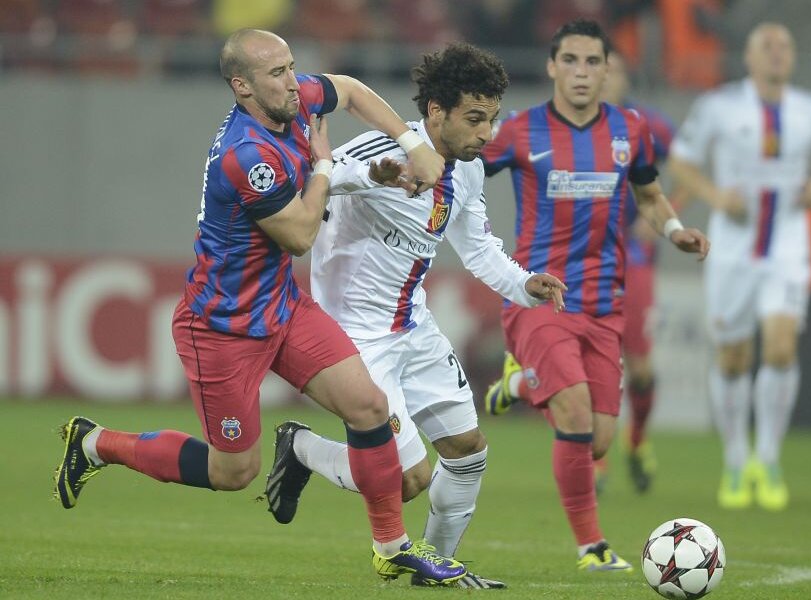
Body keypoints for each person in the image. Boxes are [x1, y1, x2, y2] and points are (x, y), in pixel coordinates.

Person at [53, 28, 468, 585]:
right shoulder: (246, 155)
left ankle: (391, 546)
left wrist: (408, 145)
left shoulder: (292, 102)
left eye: (291, 66)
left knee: (369, 407)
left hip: (283, 307)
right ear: (242, 86)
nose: (293, 82)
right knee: (233, 471)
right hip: (222, 328)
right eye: (277, 73)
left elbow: (349, 90)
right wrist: (326, 166)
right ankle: (96, 443)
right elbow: (299, 236)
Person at [270, 42, 566, 590]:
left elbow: (478, 247)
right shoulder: (381, 148)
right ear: (435, 110)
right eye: (474, 118)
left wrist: (523, 284)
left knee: (468, 452)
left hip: (414, 327)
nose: (487, 133)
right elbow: (321, 177)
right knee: (408, 480)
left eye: (492, 118)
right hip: (357, 339)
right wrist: (373, 176)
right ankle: (302, 448)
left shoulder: (467, 170)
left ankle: (436, 567)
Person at [480, 19, 709, 573]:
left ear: (608, 70)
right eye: (570, 60)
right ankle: (592, 546)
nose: (581, 72)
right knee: (576, 413)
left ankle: (520, 382)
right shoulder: (518, 131)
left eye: (592, 62)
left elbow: (649, 195)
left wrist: (674, 229)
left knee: (598, 441)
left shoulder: (631, 128)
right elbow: (461, 171)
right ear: (552, 67)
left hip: (605, 304)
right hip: (540, 298)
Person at [668, 22, 811, 511]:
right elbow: (681, 161)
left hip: (787, 245)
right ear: (748, 57)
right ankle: (735, 460)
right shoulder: (719, 106)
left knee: (782, 348)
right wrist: (715, 196)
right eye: (767, 45)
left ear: (794, 56)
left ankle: (767, 459)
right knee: (732, 359)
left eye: (784, 45)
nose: (776, 52)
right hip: (733, 249)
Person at [590, 51, 681, 495]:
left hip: (635, 258)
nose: (605, 78)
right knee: (591, 361)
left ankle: (638, 440)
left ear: (626, 79)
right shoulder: (572, 126)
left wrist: (663, 214)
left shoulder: (648, 125)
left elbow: (685, 171)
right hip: (586, 257)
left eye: (614, 71)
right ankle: (597, 459)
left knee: (640, 367)